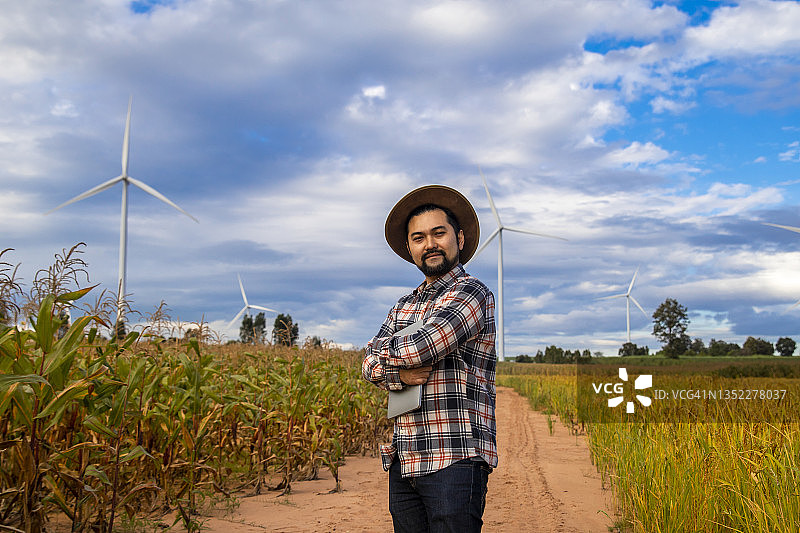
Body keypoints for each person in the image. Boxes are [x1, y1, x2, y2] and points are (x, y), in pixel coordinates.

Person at [363, 184, 498, 533]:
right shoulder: (402, 305)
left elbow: (425, 345)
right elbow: (366, 363)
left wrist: (383, 356)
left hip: (454, 458)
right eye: (419, 237)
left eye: (439, 233)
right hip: (404, 458)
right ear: (410, 248)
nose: (430, 244)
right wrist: (400, 376)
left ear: (461, 238)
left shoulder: (473, 293)